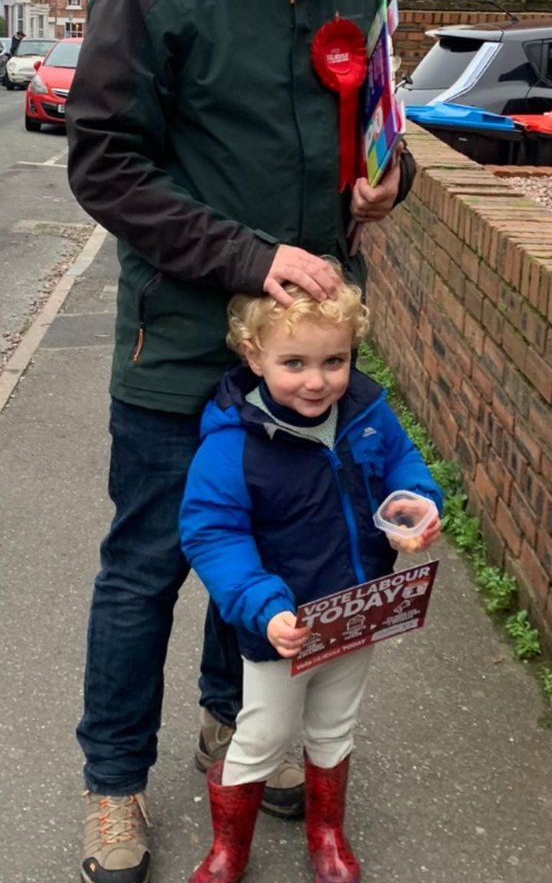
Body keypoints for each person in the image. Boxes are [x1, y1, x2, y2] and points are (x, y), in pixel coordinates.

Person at [66, 0, 413, 883]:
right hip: (180, 350)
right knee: (147, 573)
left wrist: (387, 179)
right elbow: (104, 165)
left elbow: (372, 127)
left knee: (262, 564)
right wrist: (250, 256)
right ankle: (114, 783)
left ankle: (234, 731)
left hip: (301, 360)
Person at [180, 270, 443, 883]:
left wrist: (417, 504)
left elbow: (403, 466)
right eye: (294, 362)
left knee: (334, 726)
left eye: (335, 360)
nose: (318, 380)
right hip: (282, 625)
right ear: (253, 355)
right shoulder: (231, 446)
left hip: (356, 609)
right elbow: (213, 535)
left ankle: (326, 830)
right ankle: (228, 849)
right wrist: (264, 606)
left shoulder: (369, 413)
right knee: (264, 733)